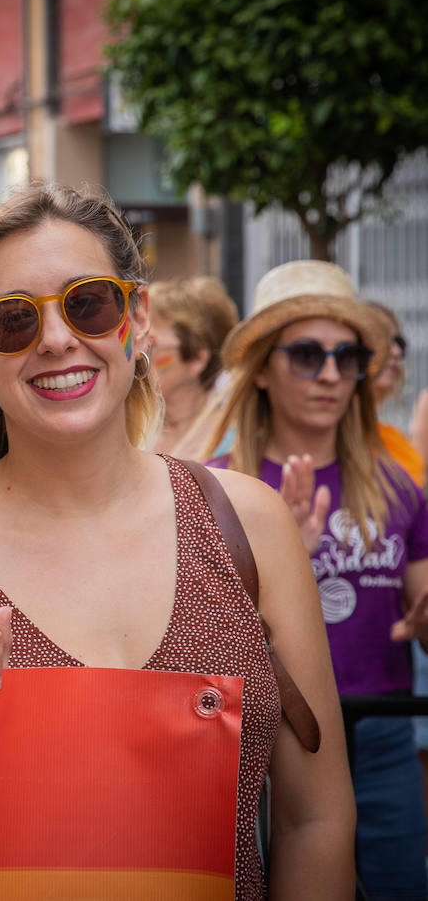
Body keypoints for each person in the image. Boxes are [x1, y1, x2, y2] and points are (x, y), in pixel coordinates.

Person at [0, 183, 353, 900]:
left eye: (88, 304)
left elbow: (314, 819)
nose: (56, 338)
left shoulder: (249, 526)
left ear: (136, 321)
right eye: (13, 320)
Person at [202, 259, 427, 900]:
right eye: (306, 354)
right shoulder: (212, 491)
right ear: (264, 369)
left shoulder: (397, 486)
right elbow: (191, 634)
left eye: (346, 356)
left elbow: (422, 615)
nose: (330, 374)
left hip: (383, 736)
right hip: (262, 742)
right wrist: (281, 562)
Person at [147, 276, 238, 456]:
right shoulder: (132, 433)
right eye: (133, 341)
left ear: (197, 359)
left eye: (150, 345)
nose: (136, 355)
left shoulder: (235, 443)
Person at [367, 301, 425, 485]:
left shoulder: (392, 440)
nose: (396, 351)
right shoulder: (327, 438)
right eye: (381, 338)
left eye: (399, 342)